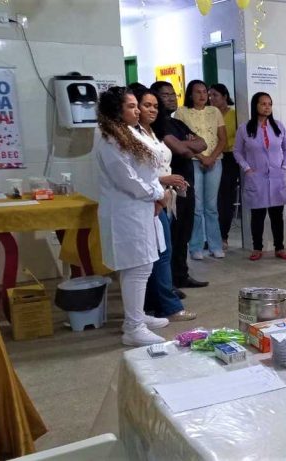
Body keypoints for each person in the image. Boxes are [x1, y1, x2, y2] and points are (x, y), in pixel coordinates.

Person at [93, 87, 172, 346]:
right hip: (126, 211)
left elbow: (150, 166)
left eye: (136, 105)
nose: (137, 110)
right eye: (130, 106)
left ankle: (136, 317)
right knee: (136, 267)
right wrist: (158, 192)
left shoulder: (130, 132)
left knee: (144, 264)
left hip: (141, 208)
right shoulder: (108, 138)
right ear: (116, 110)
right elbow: (127, 179)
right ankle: (134, 328)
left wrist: (156, 192)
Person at [133, 87, 196, 322]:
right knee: (162, 253)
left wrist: (171, 183)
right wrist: (165, 181)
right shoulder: (133, 136)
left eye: (155, 106)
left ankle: (154, 303)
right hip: (152, 201)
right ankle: (169, 306)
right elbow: (138, 174)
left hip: (164, 197)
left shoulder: (153, 131)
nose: (151, 110)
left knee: (162, 252)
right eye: (145, 105)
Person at [149, 81, 209, 290]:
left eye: (173, 94)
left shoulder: (178, 123)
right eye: (165, 95)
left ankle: (181, 275)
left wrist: (187, 144)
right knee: (172, 235)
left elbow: (203, 143)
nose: (171, 98)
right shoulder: (159, 125)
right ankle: (169, 282)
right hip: (169, 188)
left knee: (184, 231)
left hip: (186, 185)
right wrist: (188, 145)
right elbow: (183, 151)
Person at [234, 92, 286, 261]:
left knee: (277, 215)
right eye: (263, 104)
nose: (267, 107)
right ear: (255, 106)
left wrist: (285, 166)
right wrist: (246, 168)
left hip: (276, 178)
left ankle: (279, 248)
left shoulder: (278, 126)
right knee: (258, 215)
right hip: (256, 177)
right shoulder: (245, 128)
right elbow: (237, 151)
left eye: (269, 104)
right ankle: (257, 248)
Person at [175, 80, 227, 260]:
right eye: (198, 92)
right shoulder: (181, 113)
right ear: (190, 94)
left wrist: (211, 157)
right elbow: (180, 141)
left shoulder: (215, 112)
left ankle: (215, 245)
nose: (202, 95)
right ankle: (196, 246)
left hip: (215, 162)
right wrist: (202, 157)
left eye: (205, 91)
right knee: (196, 207)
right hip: (193, 162)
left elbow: (222, 139)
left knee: (211, 207)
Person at [209, 83, 238, 251]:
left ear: (225, 96)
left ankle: (223, 235)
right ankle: (210, 236)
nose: (211, 99)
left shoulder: (234, 114)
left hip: (230, 158)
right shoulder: (208, 114)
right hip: (212, 157)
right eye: (210, 95)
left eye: (215, 95)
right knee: (212, 198)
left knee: (225, 199)